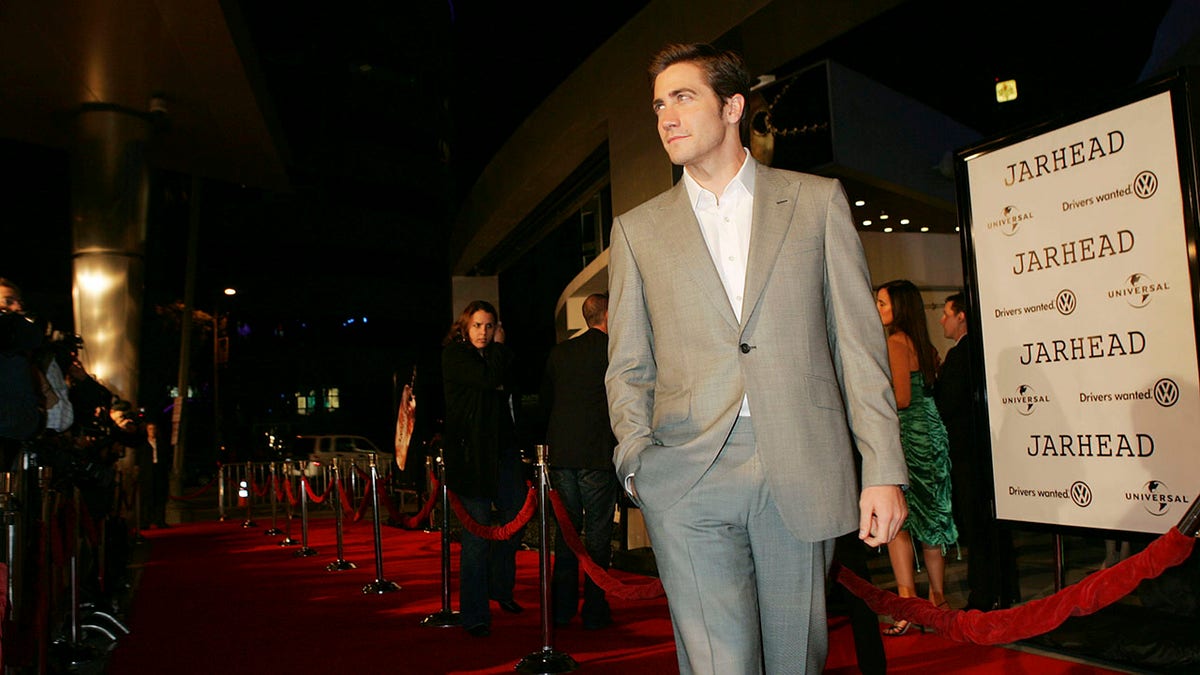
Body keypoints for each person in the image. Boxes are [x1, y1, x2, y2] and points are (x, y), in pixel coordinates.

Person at [605, 43, 909, 673]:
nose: (666, 116)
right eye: (659, 104)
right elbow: (628, 366)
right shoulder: (637, 230)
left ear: (733, 106)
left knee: (796, 660)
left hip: (799, 465)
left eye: (683, 98)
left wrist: (883, 465)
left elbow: (859, 346)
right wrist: (635, 461)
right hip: (685, 476)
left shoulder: (815, 202)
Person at [874, 279, 958, 635]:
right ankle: (938, 600)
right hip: (932, 434)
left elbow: (903, 399)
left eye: (882, 304)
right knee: (933, 517)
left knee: (899, 523)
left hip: (909, 436)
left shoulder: (895, 342)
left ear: (899, 308)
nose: (878, 310)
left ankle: (906, 605)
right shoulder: (923, 343)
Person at [440, 300, 526, 638]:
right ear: (465, 326)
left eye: (489, 326)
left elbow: (507, 392)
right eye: (478, 325)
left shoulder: (495, 358)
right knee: (476, 537)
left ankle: (500, 587)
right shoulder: (456, 355)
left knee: (516, 518)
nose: (484, 332)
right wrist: (501, 351)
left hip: (503, 454)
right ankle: (474, 614)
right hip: (471, 458)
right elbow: (489, 381)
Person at [933, 291, 1018, 610]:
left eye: (946, 313)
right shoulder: (980, 352)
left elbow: (947, 406)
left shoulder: (962, 355)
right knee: (993, 527)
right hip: (987, 454)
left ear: (962, 316)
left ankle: (983, 595)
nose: (942, 319)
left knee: (979, 527)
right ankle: (1003, 590)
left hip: (969, 455)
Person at [540, 293, 620, 630]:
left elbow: (547, 401)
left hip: (563, 454)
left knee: (566, 533)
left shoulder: (560, 353)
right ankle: (594, 609)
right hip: (596, 455)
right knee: (598, 536)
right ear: (608, 315)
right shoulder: (613, 352)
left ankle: (561, 609)